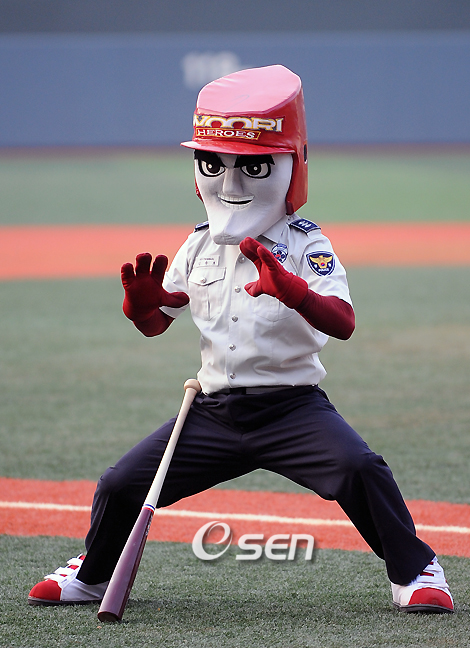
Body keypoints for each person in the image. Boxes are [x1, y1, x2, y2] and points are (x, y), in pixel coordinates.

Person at [28, 65, 453, 613]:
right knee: (119, 484)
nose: (230, 184)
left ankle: (415, 571)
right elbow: (160, 321)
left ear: (290, 168)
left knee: (360, 470)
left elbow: (343, 322)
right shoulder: (199, 244)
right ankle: (92, 575)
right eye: (214, 164)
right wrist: (141, 306)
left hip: (293, 409)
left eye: (253, 167)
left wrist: (296, 293)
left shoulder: (306, 244)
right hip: (212, 412)